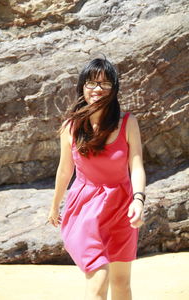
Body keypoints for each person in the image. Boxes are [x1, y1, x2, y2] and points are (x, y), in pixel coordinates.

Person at [48, 57, 146, 300]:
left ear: (114, 89)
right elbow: (64, 170)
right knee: (99, 279)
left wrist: (139, 200)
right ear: (82, 86)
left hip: (121, 206)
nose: (97, 89)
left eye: (105, 84)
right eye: (91, 83)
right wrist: (54, 205)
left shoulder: (127, 122)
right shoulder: (71, 127)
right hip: (85, 209)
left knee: (122, 283)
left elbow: (136, 165)